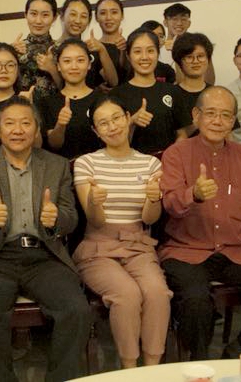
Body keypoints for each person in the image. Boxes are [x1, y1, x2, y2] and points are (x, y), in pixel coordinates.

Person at [0, 96, 91, 381]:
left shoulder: (56, 165)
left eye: (25, 123)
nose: (17, 130)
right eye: (9, 123)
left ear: (36, 129)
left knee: (77, 311)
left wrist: (56, 219)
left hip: (44, 256)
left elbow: (71, 217)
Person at [158, 86, 241, 360]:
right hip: (186, 250)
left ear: (233, 121)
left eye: (225, 115)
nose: (218, 121)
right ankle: (198, 364)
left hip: (234, 250)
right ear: (196, 116)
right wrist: (193, 195)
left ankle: (238, 354)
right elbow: (169, 203)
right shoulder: (176, 153)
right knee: (196, 303)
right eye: (210, 113)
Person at [73, 96, 171, 368]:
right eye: (103, 123)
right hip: (98, 248)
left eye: (116, 118)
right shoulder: (86, 163)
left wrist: (153, 197)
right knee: (127, 294)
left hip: (138, 245)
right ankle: (129, 369)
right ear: (96, 131)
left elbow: (150, 218)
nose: (112, 126)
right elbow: (94, 220)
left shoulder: (150, 164)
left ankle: (152, 369)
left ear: (128, 118)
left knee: (157, 293)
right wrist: (94, 202)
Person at [110, 28, 191, 156]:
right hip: (129, 164)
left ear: (158, 54)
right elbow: (112, 141)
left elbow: (181, 134)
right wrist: (131, 122)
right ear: (128, 56)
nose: (144, 57)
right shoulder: (116, 95)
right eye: (137, 51)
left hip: (167, 162)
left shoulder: (172, 91)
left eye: (150, 51)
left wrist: (170, 158)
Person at [39, 39, 102, 159]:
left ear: (89, 64)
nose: (74, 67)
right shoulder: (47, 102)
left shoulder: (102, 100)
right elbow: (54, 146)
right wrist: (60, 125)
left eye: (80, 60)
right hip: (63, 168)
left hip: (99, 167)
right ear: (58, 66)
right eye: (67, 61)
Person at [56, 0, 118, 90]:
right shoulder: (51, 49)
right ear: (62, 16)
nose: (77, 21)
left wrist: (102, 50)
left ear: (89, 21)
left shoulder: (91, 49)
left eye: (83, 16)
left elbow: (113, 82)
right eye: (73, 14)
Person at [13, 0, 61, 99]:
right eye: (33, 14)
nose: (38, 21)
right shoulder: (15, 48)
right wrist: (9, 53)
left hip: (54, 108)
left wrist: (52, 69)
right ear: (25, 15)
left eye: (45, 15)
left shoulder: (61, 49)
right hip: (20, 107)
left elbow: (68, 89)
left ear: (54, 17)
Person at [161, 3, 216, 85]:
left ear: (189, 23)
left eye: (183, 19)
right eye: (174, 19)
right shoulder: (158, 50)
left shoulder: (198, 48)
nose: (179, 23)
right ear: (165, 22)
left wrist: (208, 54)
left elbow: (209, 82)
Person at [172, 32, 213, 111]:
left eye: (200, 56)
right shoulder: (171, 95)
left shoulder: (216, 94)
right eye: (189, 57)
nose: (195, 61)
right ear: (179, 62)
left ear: (208, 59)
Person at [95, 0, 130, 82]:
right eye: (103, 13)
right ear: (96, 17)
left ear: (122, 16)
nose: (109, 18)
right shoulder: (92, 48)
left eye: (114, 12)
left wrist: (123, 51)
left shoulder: (132, 46)